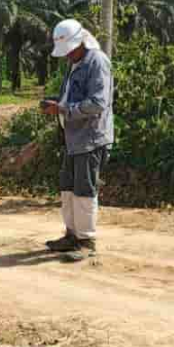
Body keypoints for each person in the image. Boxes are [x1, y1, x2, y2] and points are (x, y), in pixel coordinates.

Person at [40, 19, 114, 261]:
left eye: (70, 50)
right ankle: (72, 235)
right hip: (73, 138)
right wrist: (56, 103)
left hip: (90, 138)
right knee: (68, 188)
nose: (67, 55)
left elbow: (98, 103)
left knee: (84, 190)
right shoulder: (74, 63)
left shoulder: (97, 62)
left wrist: (63, 109)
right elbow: (71, 97)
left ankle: (86, 241)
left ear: (82, 42)